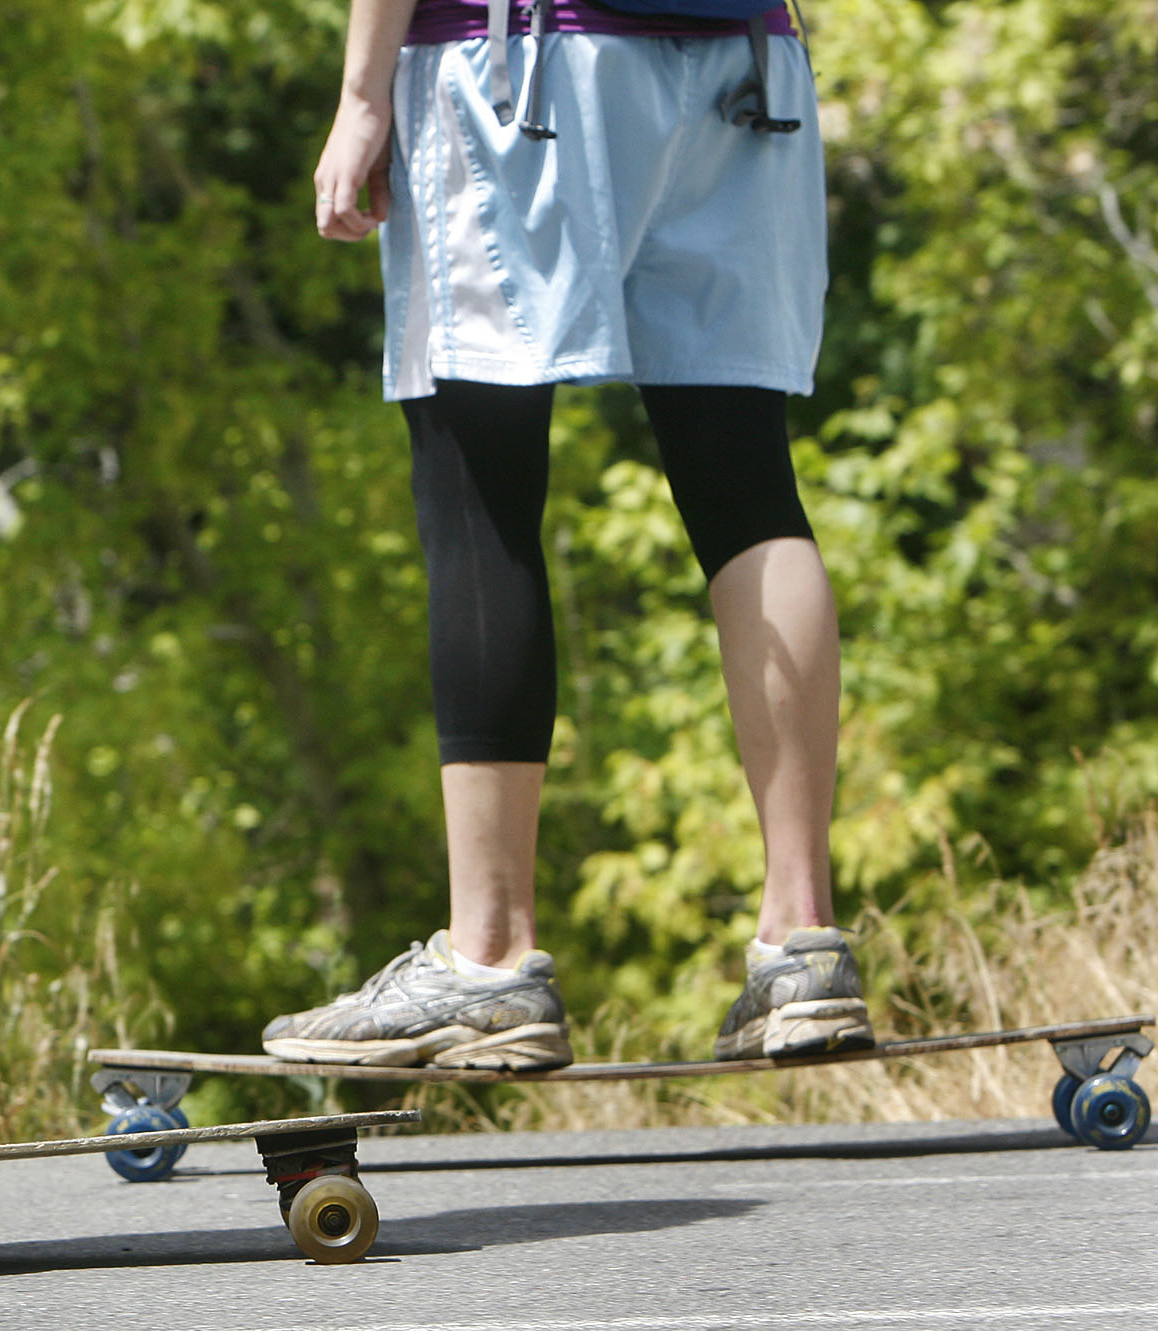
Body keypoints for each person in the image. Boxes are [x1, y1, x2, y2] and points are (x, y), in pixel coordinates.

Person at [264, 0, 875, 1068]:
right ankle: (802, 943)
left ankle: (489, 957)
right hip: (745, 64)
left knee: (478, 489)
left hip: (518, 64)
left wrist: (363, 95)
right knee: (747, 483)